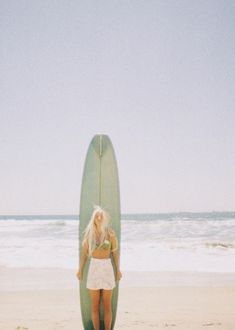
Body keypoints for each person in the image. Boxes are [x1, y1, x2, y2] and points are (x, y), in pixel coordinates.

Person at [76, 206, 122, 330]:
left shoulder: (110, 234)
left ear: (104, 218)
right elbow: (84, 254)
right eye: (97, 215)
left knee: (107, 305)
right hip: (94, 268)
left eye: (101, 216)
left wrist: (118, 270)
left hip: (107, 268)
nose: (99, 217)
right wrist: (80, 270)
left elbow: (115, 253)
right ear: (94, 218)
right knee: (94, 306)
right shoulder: (89, 235)